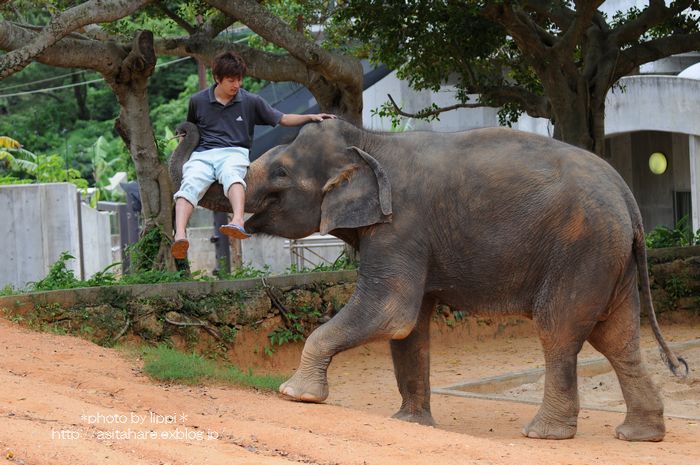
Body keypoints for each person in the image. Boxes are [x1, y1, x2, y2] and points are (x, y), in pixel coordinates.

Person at [171, 51, 335, 259]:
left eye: (239, 79)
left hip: (233, 152)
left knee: (233, 175)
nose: (236, 85)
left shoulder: (250, 101)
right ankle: (180, 236)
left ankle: (238, 221)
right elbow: (191, 130)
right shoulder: (198, 101)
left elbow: (282, 118)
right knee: (190, 184)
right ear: (217, 78)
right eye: (231, 80)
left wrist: (311, 116)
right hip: (203, 154)